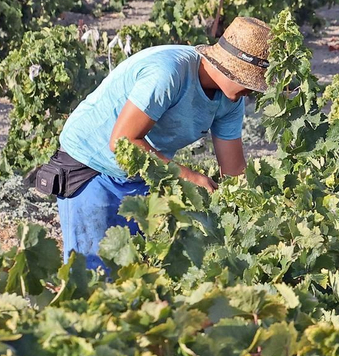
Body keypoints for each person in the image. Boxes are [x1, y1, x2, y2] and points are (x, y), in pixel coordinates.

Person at [48, 16, 271, 272]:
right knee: (94, 274)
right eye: (249, 81)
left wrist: (251, 212)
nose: (252, 91)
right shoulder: (169, 72)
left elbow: (234, 171)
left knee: (136, 275)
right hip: (92, 167)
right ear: (228, 67)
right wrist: (188, 176)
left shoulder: (231, 100)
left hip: (143, 174)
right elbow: (122, 142)